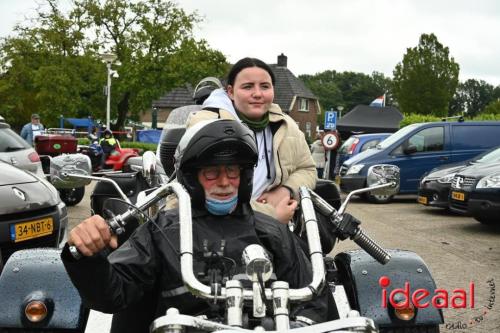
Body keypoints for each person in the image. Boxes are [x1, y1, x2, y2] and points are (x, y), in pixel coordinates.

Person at [61, 120, 328, 333]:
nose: (224, 182)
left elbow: (313, 297)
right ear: (192, 178)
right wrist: (85, 254)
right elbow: (112, 294)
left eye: (232, 172)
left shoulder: (272, 232)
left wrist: (300, 324)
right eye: (211, 173)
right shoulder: (162, 231)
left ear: (244, 177)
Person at [186, 57, 317, 224]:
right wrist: (271, 215)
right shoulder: (206, 125)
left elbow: (308, 169)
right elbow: (205, 195)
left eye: (265, 86)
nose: (257, 94)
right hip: (218, 230)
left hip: (272, 230)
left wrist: (285, 191)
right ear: (231, 92)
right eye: (248, 87)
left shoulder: (287, 126)